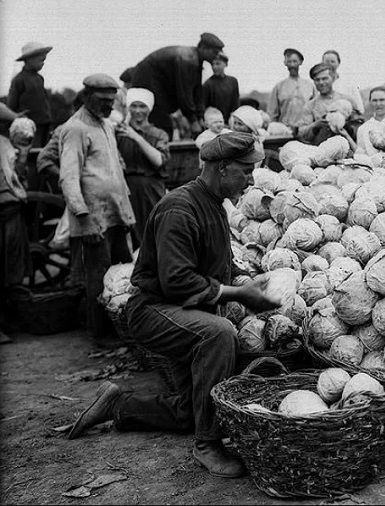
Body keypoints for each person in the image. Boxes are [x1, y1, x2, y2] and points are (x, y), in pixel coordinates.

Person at [67, 132, 281, 478]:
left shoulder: (213, 204)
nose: (252, 179)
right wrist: (237, 295)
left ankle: (118, 405)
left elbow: (219, 261)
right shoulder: (179, 208)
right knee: (219, 334)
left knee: (191, 411)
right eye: (246, 170)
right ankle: (207, 445)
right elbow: (177, 281)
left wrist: (244, 279)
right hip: (152, 310)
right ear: (223, 168)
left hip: (182, 311)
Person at [59, 74, 136, 338]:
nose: (109, 106)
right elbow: (68, 178)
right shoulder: (75, 129)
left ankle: (122, 330)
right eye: (104, 101)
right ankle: (101, 336)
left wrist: (125, 211)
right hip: (94, 219)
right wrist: (84, 217)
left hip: (114, 214)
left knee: (122, 276)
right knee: (98, 277)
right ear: (88, 96)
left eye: (112, 101)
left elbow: (115, 171)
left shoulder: (105, 125)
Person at [130, 33, 225, 138]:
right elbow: (184, 93)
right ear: (203, 48)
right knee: (163, 123)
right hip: (146, 80)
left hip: (158, 82)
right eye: (215, 52)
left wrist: (201, 117)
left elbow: (197, 91)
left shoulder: (196, 60)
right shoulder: (188, 59)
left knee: (163, 122)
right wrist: (193, 120)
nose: (217, 56)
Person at [115, 88, 170, 249]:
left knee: (153, 233)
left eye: (142, 106)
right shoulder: (119, 132)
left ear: (149, 109)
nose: (138, 111)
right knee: (128, 236)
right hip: (126, 189)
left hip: (151, 190)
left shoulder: (158, 134)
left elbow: (159, 161)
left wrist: (136, 137)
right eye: (134, 106)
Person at [0, 117, 33, 343]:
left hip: (10, 210)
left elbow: (20, 178)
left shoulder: (5, 144)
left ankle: (8, 321)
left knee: (9, 270)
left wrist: (22, 154)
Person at [295, 63, 362, 147]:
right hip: (320, 151)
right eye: (317, 80)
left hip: (347, 150)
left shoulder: (347, 100)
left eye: (325, 78)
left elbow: (360, 128)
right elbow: (302, 133)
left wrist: (346, 125)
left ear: (333, 78)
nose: (321, 82)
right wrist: (316, 125)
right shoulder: (310, 106)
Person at [8, 42, 53, 146]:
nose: (43, 63)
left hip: (44, 123)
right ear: (29, 60)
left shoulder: (40, 78)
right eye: (41, 60)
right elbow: (11, 104)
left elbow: (44, 101)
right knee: (30, 150)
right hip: (28, 126)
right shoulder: (19, 79)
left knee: (42, 151)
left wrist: (49, 120)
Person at [267, 48, 315, 129]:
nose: (292, 65)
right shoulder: (279, 87)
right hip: (285, 131)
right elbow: (272, 114)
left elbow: (316, 110)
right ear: (285, 63)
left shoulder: (310, 85)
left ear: (300, 62)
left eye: (295, 61)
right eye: (289, 62)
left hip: (306, 130)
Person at [355, 87, 385, 156]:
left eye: (382, 100)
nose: (378, 104)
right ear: (370, 102)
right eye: (374, 100)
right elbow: (360, 153)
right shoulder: (363, 128)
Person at [322, 50, 365, 115]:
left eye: (332, 61)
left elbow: (360, 108)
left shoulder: (349, 84)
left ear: (338, 63)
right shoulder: (317, 84)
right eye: (326, 61)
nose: (329, 64)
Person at [201, 53, 240, 123]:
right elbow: (204, 107)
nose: (214, 67)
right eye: (212, 64)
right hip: (214, 123)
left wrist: (233, 120)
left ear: (225, 64)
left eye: (218, 64)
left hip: (230, 122)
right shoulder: (208, 84)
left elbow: (236, 104)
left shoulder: (233, 81)